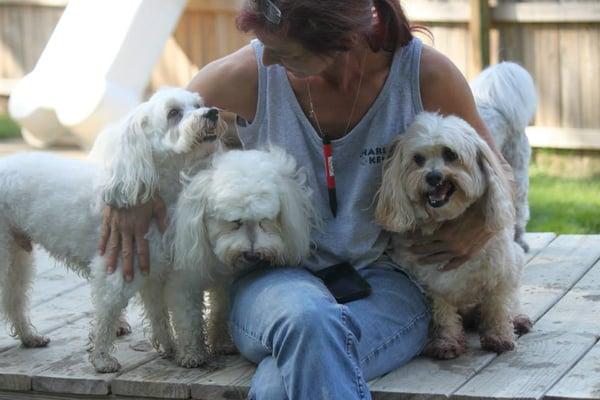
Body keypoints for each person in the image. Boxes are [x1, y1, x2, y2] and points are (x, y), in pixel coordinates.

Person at [99, 0, 509, 398]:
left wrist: (481, 224)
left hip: (390, 278)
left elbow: (495, 169)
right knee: (309, 322)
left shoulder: (424, 74)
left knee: (282, 381)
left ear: (343, 40)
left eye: (282, 51)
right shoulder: (248, 74)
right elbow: (153, 129)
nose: (269, 60)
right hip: (273, 276)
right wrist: (128, 193)